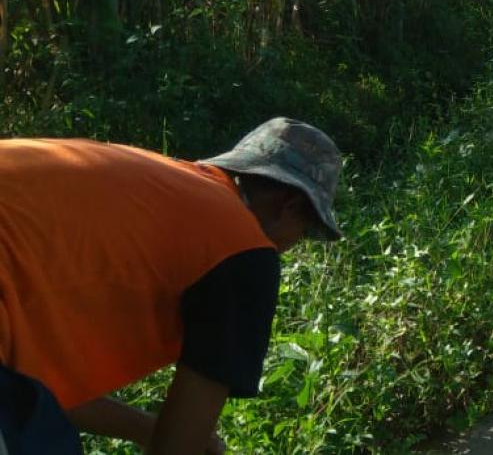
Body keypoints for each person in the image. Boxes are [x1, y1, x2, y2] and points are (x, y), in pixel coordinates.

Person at [0, 117, 343, 454]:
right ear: (290, 207)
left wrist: (146, 429)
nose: (292, 246)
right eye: (305, 232)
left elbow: (34, 390)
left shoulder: (154, 191)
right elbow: (178, 448)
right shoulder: (241, 245)